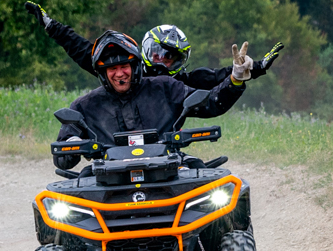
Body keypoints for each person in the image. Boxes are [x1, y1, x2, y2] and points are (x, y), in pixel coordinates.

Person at [55, 30, 255, 158]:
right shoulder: (85, 106)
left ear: (135, 66)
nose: (119, 73)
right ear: (102, 73)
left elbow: (211, 103)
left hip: (170, 168)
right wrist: (73, 144)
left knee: (222, 192)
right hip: (105, 178)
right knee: (60, 206)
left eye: (124, 66)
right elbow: (62, 158)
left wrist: (235, 79)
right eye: (112, 68)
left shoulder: (166, 87)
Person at [24, 2, 281, 87]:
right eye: (159, 53)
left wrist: (256, 67)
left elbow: (217, 76)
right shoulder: (124, 70)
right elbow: (81, 49)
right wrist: (52, 26)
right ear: (147, 49)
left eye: (171, 58)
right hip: (117, 151)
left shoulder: (181, 82)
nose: (163, 61)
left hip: (166, 151)